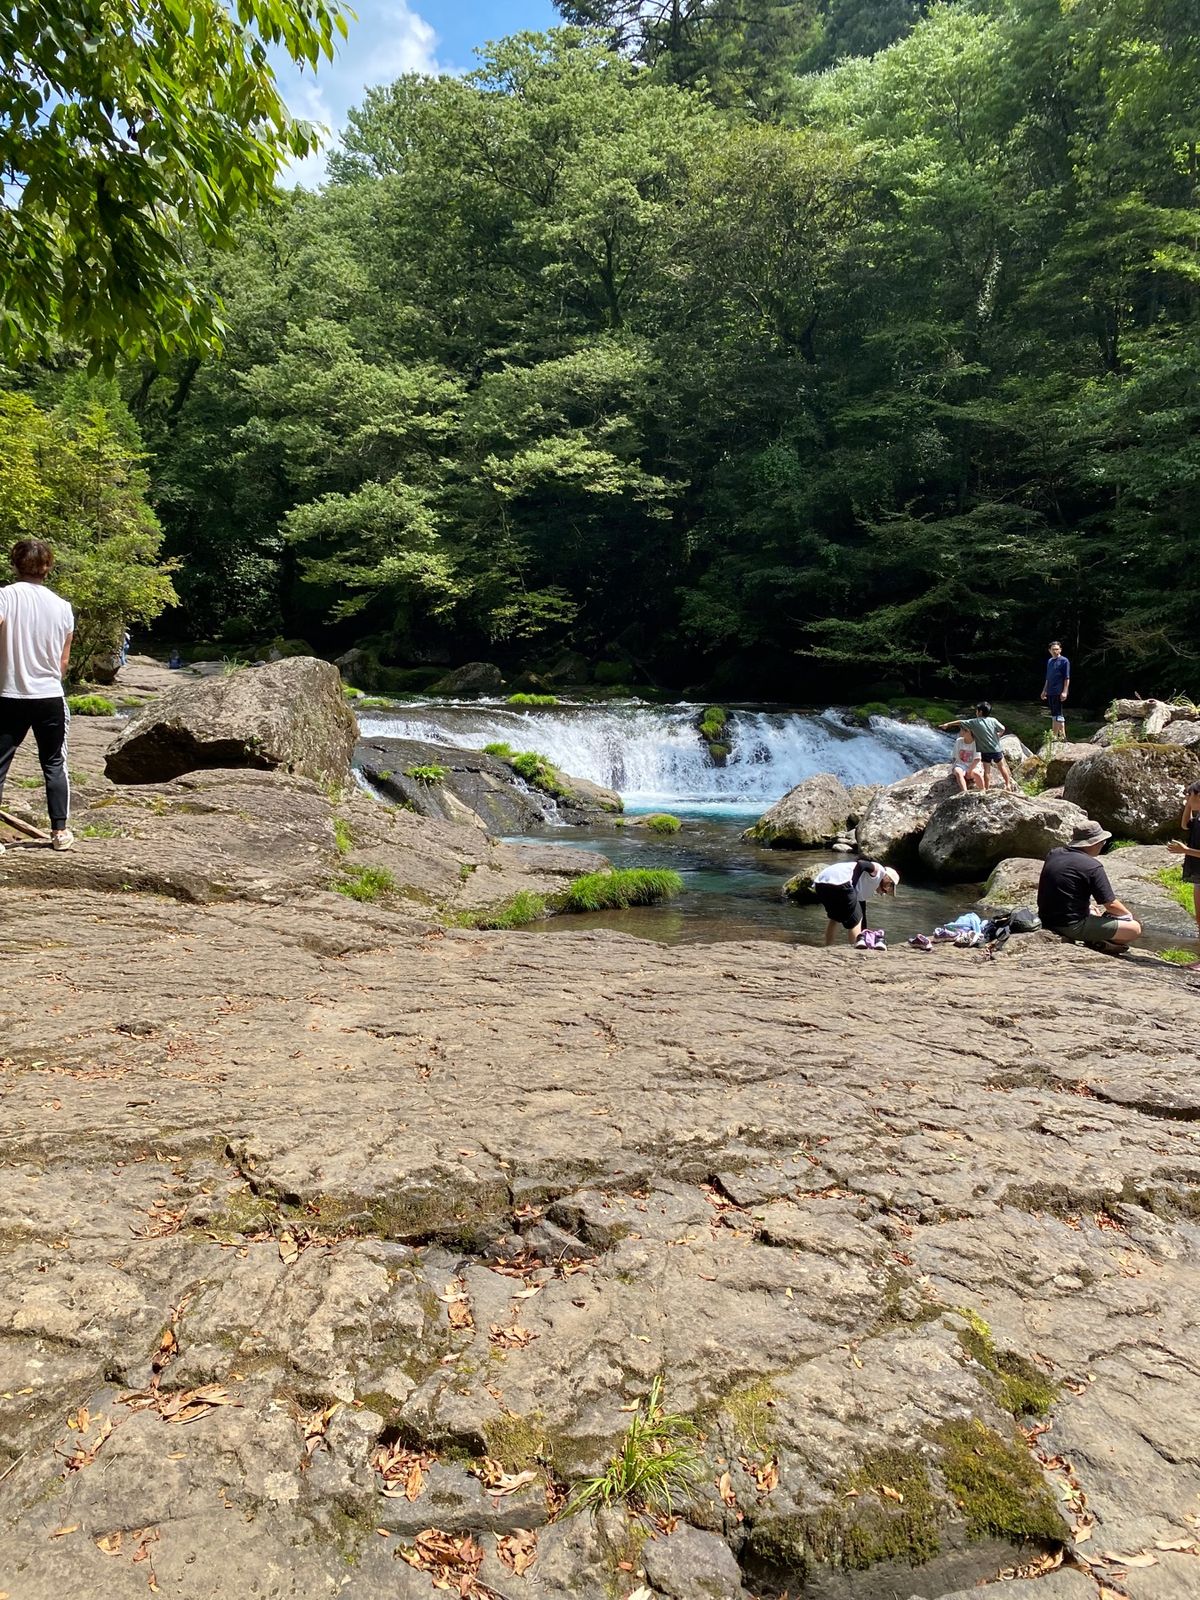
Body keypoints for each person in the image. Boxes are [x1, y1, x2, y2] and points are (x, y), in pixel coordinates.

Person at [0, 539, 75, 852]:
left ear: (15, 564)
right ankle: (60, 832)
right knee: (54, 762)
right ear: (48, 567)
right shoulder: (62, 607)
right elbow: (63, 662)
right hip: (49, 696)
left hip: (8, 694)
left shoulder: (4, 597)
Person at [1037, 821, 1141, 952]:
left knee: (1093, 910)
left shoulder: (1054, 853)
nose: (1103, 844)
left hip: (1046, 918)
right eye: (1102, 842)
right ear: (1094, 843)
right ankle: (1097, 940)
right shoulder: (1092, 866)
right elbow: (1111, 904)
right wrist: (1128, 916)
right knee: (1134, 929)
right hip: (1071, 926)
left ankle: (1096, 935)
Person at [812, 858, 899, 947]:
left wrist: (864, 933)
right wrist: (853, 884)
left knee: (835, 917)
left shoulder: (866, 886)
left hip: (821, 883)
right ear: (887, 879)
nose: (885, 891)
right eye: (889, 886)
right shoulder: (880, 871)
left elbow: (862, 910)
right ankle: (856, 948)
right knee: (856, 919)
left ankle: (828, 946)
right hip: (841, 882)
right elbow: (861, 864)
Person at [940, 703, 1017, 792]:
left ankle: (986, 789)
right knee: (1001, 766)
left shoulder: (975, 722)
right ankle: (1007, 784)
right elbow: (1002, 728)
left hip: (985, 750)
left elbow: (960, 722)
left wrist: (947, 724)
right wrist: (998, 735)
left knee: (987, 771)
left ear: (980, 712)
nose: (976, 712)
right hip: (996, 748)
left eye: (976, 711)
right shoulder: (993, 720)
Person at [1166, 780, 1200, 963]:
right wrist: (1189, 804)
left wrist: (1185, 850)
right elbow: (1185, 825)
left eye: (1190, 794)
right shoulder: (1199, 817)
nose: (1186, 797)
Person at [1041, 640, 1071, 740]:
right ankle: (1063, 737)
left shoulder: (1064, 661)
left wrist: (1065, 691)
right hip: (1050, 691)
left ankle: (1054, 736)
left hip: (1059, 691)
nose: (1055, 651)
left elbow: (1067, 677)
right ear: (1049, 650)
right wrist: (1044, 690)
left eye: (1057, 649)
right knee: (1056, 713)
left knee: (1057, 714)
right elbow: (1048, 678)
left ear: (1060, 650)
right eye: (1053, 649)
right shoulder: (1050, 661)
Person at [949, 724, 984, 794]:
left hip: (974, 765)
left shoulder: (976, 743)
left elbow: (977, 759)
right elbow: (955, 756)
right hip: (961, 764)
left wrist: (969, 771)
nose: (960, 732)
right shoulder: (959, 741)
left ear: (969, 732)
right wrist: (954, 766)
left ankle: (983, 790)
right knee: (958, 772)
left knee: (976, 773)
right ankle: (965, 792)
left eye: (962, 730)